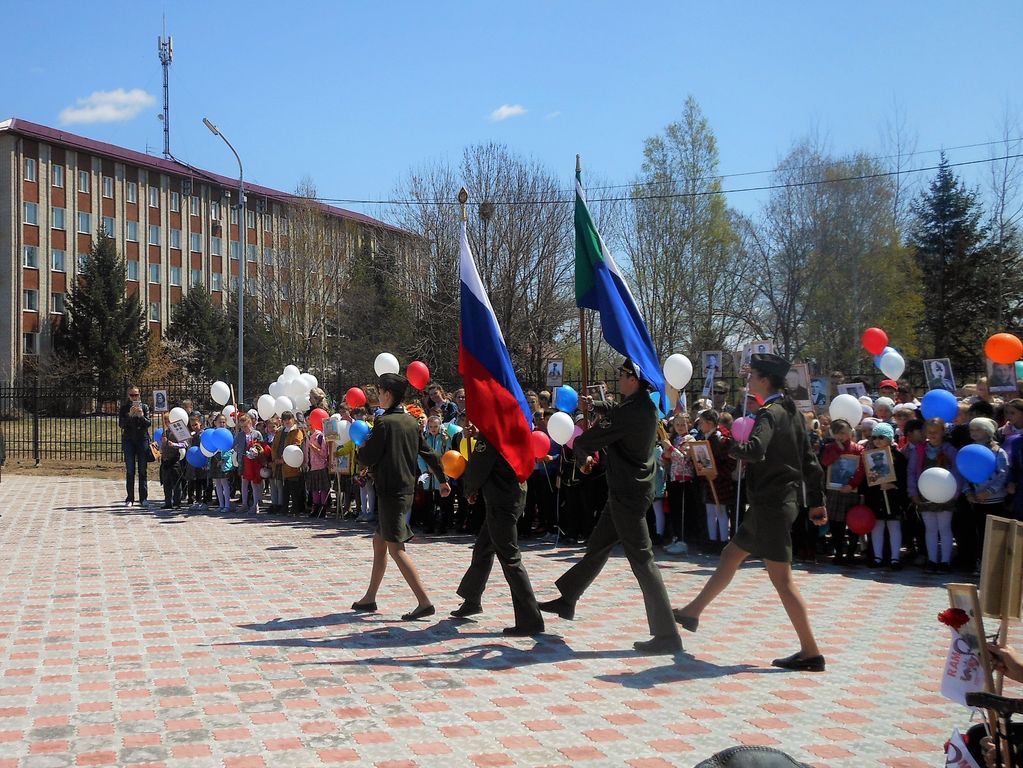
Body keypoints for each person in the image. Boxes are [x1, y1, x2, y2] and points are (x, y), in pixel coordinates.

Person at [672, 352, 828, 671]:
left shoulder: (769, 414)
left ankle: (811, 652)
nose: (748, 380)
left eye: (752, 375)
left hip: (771, 505)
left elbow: (755, 450)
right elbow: (810, 462)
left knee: (782, 580)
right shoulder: (792, 412)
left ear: (765, 380)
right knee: (731, 554)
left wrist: (729, 445)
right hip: (775, 503)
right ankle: (692, 612)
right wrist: (816, 501)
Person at [539, 358, 683, 655]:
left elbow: (588, 440)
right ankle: (568, 599)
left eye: (623, 374)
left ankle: (667, 634)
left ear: (634, 379)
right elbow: (614, 416)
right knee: (598, 546)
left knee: (643, 561)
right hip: (629, 490)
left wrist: (582, 457)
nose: (619, 378)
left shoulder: (630, 411)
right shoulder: (644, 405)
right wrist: (597, 407)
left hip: (627, 494)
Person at [352, 373, 450, 621]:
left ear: (387, 394)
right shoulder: (410, 421)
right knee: (379, 542)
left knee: (396, 548)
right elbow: (429, 453)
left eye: (380, 392)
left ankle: (424, 602)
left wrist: (360, 448)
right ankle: (370, 597)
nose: (378, 396)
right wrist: (443, 480)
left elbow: (369, 456)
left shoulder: (384, 423)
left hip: (390, 492)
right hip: (405, 488)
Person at [451, 430, 545, 636]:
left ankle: (531, 619)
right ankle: (472, 598)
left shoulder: (492, 433)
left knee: (510, 559)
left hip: (501, 501)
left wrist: (469, 489)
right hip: (514, 494)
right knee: (483, 548)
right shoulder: (513, 427)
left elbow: (479, 465)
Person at [119, 385, 152, 507]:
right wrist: (129, 414)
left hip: (142, 439)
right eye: (132, 395)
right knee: (130, 470)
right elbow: (121, 424)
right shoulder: (124, 408)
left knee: (142, 470)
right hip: (129, 440)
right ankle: (130, 498)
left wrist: (141, 415)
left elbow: (148, 423)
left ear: (139, 395)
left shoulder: (145, 407)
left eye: (136, 395)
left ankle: (143, 498)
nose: (134, 397)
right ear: (129, 396)